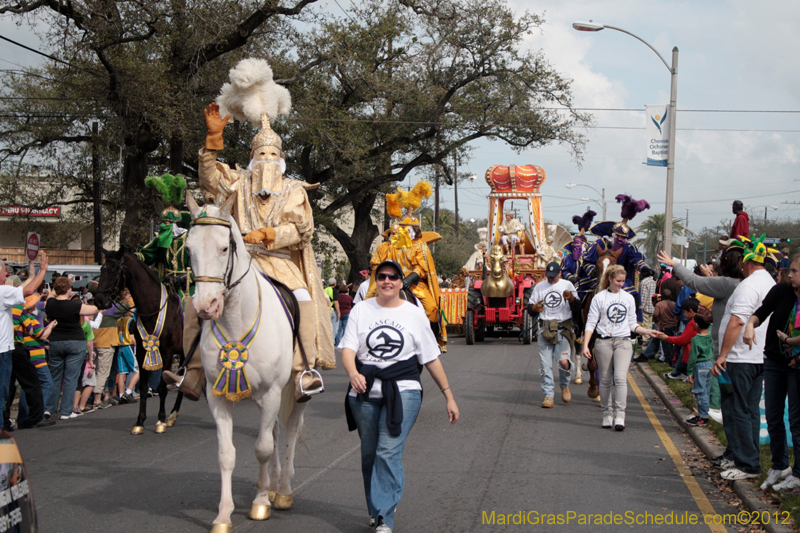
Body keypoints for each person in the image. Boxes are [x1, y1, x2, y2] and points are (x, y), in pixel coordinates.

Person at [199, 81, 335, 401]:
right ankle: (193, 370)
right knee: (202, 297)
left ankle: (303, 370)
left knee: (302, 297)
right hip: (241, 259)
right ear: (251, 158)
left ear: (282, 158)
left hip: (280, 262)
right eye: (261, 153)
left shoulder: (294, 190)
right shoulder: (238, 182)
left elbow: (303, 230)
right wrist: (213, 141)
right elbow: (210, 180)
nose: (267, 157)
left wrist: (271, 234)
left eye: (273, 153)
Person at [341, 260, 458, 533]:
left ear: (400, 281)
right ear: (375, 280)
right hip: (364, 389)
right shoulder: (360, 310)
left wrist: (448, 396)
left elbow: (430, 358)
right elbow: (348, 349)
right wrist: (352, 373)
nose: (387, 281)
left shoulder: (414, 313)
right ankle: (376, 507)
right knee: (369, 453)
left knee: (387, 451)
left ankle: (384, 516)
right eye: (381, 276)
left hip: (403, 389)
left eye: (393, 277)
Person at [712, 235, 776, 481]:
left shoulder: (749, 286)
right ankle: (744, 457)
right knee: (748, 410)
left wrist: (723, 354)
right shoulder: (767, 281)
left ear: (746, 262)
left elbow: (737, 321)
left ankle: (746, 464)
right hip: (756, 358)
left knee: (736, 409)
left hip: (739, 358)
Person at [741, 252, 800, 491]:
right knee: (774, 417)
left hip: (796, 367)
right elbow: (762, 312)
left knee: (796, 421)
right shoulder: (781, 291)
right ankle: (779, 465)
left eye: (795, 271)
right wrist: (750, 325)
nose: (789, 274)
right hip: (774, 362)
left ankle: (797, 473)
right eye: (790, 270)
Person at [583, 265, 657, 430]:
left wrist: (646, 330)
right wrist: (586, 344)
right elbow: (591, 323)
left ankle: (620, 415)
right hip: (604, 341)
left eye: (623, 281)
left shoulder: (629, 298)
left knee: (620, 378)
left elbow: (632, 324)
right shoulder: (599, 298)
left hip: (623, 341)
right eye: (618, 281)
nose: (620, 284)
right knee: (605, 379)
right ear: (609, 278)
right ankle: (607, 414)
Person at [582, 195, 651, 320]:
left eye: (624, 237)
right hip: (599, 275)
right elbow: (587, 261)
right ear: (613, 235)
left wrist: (644, 267)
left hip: (621, 279)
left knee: (634, 294)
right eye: (619, 236)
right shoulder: (599, 244)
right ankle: (578, 323)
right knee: (580, 293)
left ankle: (633, 323)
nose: (621, 240)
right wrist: (591, 270)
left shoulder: (628, 247)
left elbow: (635, 258)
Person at [45, 275, 100, 420]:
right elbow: (94, 309)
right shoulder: (75, 306)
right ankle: (65, 411)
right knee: (71, 378)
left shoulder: (50, 304)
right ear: (69, 290)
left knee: (55, 377)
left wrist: (60, 282)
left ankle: (50, 409)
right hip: (75, 341)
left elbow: (51, 295)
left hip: (56, 341)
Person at [0, 254, 48, 411]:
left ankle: (6, 422)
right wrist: (43, 271)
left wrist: (32, 276)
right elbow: (27, 290)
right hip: (10, 348)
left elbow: (22, 290)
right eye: (4, 271)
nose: (6, 274)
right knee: (22, 384)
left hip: (11, 348)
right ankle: (30, 418)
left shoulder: (8, 297)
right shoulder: (12, 302)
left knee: (8, 387)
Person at [527, 262, 579, 408]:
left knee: (563, 361)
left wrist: (572, 299)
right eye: (548, 276)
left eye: (553, 276)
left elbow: (577, 308)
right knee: (545, 365)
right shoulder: (539, 287)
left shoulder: (567, 285)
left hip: (563, 328)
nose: (550, 279)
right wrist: (535, 308)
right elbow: (530, 309)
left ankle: (564, 385)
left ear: (560, 273)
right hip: (545, 328)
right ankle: (548, 395)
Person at [685, 314, 714, 427]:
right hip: (709, 363)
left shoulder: (696, 340)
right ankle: (703, 414)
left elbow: (692, 357)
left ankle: (703, 416)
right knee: (706, 390)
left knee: (699, 391)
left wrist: (689, 372)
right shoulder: (711, 335)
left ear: (696, 325)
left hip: (700, 365)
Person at [638, 268, 657, 350]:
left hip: (645, 307)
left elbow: (643, 296)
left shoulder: (644, 282)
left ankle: (646, 341)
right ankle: (649, 340)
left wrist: (641, 306)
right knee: (650, 324)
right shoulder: (653, 282)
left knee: (646, 325)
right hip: (652, 306)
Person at [325, 278, 341, 344]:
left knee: (326, 328)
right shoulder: (334, 291)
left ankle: (326, 342)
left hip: (325, 310)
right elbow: (336, 302)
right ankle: (331, 342)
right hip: (333, 310)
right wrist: (339, 312)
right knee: (334, 328)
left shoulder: (324, 290)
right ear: (335, 283)